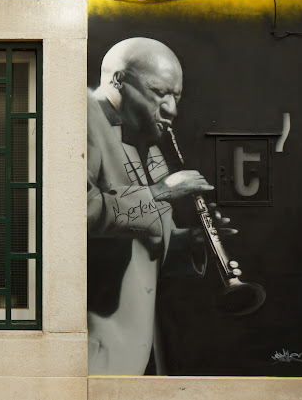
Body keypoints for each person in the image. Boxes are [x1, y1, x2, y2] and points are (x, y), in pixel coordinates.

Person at [87, 38, 233, 375]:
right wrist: (161, 192)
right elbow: (76, 214)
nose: (171, 110)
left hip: (142, 351)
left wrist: (192, 243)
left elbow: (154, 244)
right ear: (119, 80)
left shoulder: (148, 144)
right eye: (159, 93)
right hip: (95, 353)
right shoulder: (80, 118)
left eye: (176, 96)